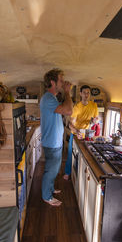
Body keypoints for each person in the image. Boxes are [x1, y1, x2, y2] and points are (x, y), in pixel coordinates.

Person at [39, 68, 73, 207]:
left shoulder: (52, 98)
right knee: (50, 170)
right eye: (60, 80)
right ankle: (46, 196)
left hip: (54, 142)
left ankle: (51, 189)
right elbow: (69, 111)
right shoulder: (48, 98)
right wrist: (68, 92)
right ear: (53, 82)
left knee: (54, 168)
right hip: (52, 143)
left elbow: (64, 110)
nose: (63, 82)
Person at [63, 85, 98, 180]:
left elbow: (96, 118)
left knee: (87, 156)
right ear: (80, 94)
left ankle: (80, 175)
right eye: (84, 93)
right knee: (71, 154)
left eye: (88, 93)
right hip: (76, 134)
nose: (86, 95)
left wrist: (95, 121)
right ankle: (67, 172)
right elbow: (70, 125)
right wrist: (77, 131)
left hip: (88, 134)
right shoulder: (77, 107)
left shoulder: (94, 105)